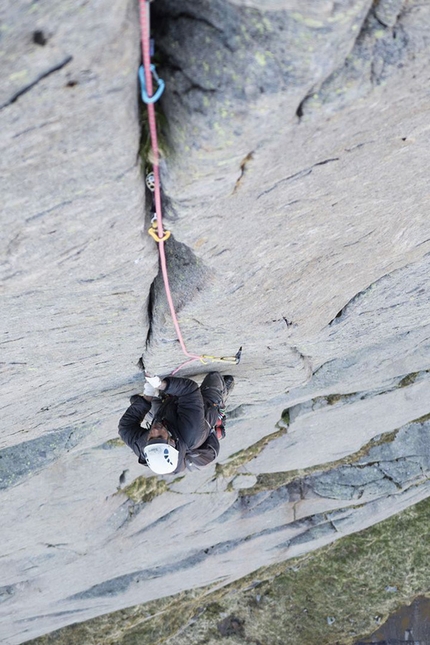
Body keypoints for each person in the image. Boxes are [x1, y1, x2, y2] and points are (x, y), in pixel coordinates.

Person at [118, 372, 234, 475]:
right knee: (214, 378)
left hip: (168, 417)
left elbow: (125, 427)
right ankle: (221, 402)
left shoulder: (144, 447)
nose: (154, 431)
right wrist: (161, 385)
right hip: (202, 416)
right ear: (172, 442)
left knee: (138, 403)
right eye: (159, 436)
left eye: (151, 437)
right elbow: (190, 391)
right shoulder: (191, 431)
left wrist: (147, 397)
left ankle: (162, 402)